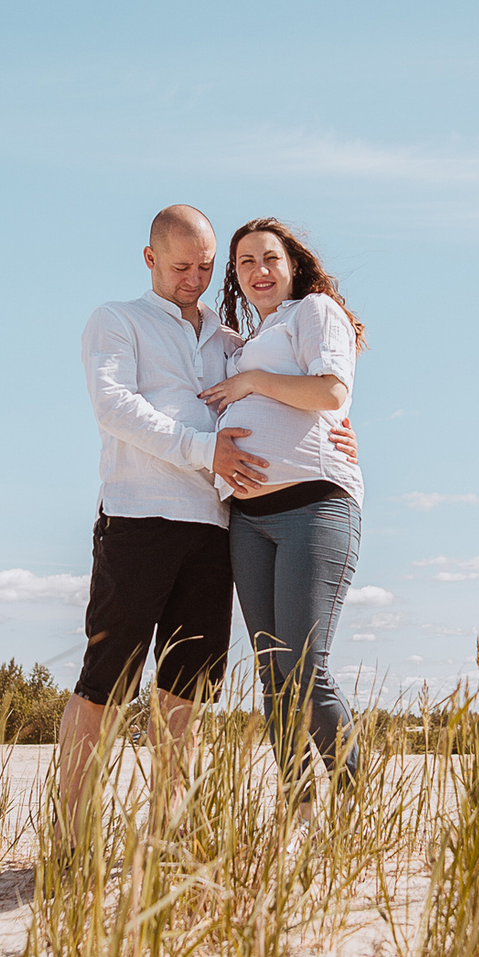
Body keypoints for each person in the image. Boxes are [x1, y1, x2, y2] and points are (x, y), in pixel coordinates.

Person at [53, 204, 352, 836]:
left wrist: (343, 437)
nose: (195, 278)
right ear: (150, 260)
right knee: (107, 682)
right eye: (181, 266)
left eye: (206, 266)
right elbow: (113, 407)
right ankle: (74, 836)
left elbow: (301, 396)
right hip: (140, 519)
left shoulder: (232, 342)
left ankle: (169, 832)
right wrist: (201, 450)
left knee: (187, 692)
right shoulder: (118, 321)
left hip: (219, 529)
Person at [199, 217, 366, 805]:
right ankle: (297, 808)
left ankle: (352, 802)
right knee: (273, 678)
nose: (258, 271)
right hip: (248, 521)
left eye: (269, 258)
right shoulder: (247, 342)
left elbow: (330, 393)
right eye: (244, 262)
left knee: (305, 671)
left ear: (291, 264)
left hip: (313, 508)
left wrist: (251, 382)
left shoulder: (313, 312)